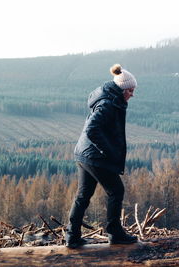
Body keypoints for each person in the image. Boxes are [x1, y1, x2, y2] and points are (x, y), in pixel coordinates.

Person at [65, 64, 137, 248]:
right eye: (130, 90)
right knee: (116, 191)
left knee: (83, 195)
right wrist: (107, 151)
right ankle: (114, 233)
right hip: (94, 156)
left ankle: (72, 237)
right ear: (122, 89)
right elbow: (92, 129)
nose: (132, 94)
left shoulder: (111, 99)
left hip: (84, 154)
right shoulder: (108, 104)